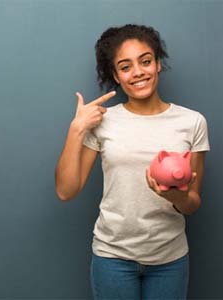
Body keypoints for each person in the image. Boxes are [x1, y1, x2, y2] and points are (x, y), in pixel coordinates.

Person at [55, 24, 210, 300]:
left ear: (158, 64)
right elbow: (66, 191)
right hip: (112, 258)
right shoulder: (103, 121)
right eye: (125, 67)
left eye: (146, 61)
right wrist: (76, 129)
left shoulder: (192, 122)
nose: (138, 72)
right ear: (115, 75)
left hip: (169, 260)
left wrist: (176, 195)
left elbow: (193, 204)